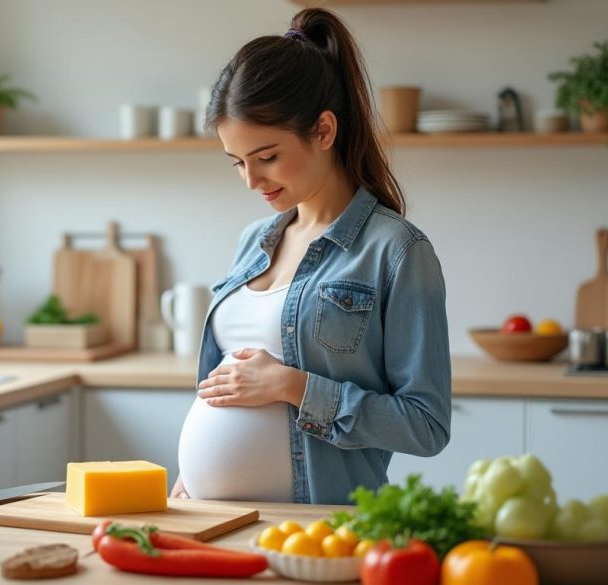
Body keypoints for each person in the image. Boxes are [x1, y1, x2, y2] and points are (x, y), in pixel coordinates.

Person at [171, 7, 451, 505]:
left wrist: (291, 385)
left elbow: (425, 426)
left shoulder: (397, 251)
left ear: (323, 130)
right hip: (208, 517)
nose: (251, 181)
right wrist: (189, 479)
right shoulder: (253, 240)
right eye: (237, 162)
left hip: (316, 525)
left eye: (267, 157)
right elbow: (220, 389)